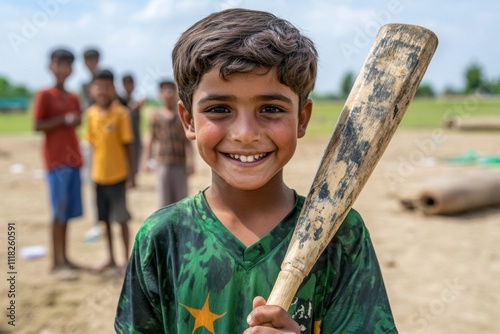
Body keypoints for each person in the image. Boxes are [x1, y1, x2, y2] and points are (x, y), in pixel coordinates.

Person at [115, 8, 397, 333]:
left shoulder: (341, 236)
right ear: (188, 120)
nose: (245, 133)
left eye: (271, 109)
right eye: (219, 109)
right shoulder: (162, 238)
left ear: (302, 119)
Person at [33, 48, 83, 281]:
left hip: (72, 162)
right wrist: (63, 120)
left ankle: (65, 257)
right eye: (59, 64)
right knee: (58, 212)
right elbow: (37, 125)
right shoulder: (45, 95)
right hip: (55, 162)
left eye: (67, 64)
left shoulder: (73, 97)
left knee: (68, 213)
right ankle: (56, 262)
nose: (63, 68)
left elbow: (79, 120)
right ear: (51, 67)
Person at [84, 69, 135, 274]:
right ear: (92, 90)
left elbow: (128, 145)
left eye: (107, 87)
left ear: (113, 89)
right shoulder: (90, 114)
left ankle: (125, 259)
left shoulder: (121, 114)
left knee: (121, 218)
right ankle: (111, 258)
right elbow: (92, 145)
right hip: (98, 176)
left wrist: (132, 176)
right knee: (104, 220)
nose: (102, 91)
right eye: (99, 87)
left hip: (118, 175)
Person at [141, 80, 194, 208]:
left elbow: (188, 142)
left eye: (171, 90)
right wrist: (145, 160)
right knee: (164, 201)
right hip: (162, 163)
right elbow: (150, 139)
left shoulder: (182, 115)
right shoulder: (156, 115)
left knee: (181, 201)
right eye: (165, 91)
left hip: (180, 163)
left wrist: (191, 163)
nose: (169, 94)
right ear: (160, 94)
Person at [120, 74, 146, 179]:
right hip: (124, 138)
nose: (129, 87)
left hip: (135, 135)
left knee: (136, 157)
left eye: (130, 84)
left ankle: (132, 178)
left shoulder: (134, 101)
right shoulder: (120, 101)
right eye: (126, 84)